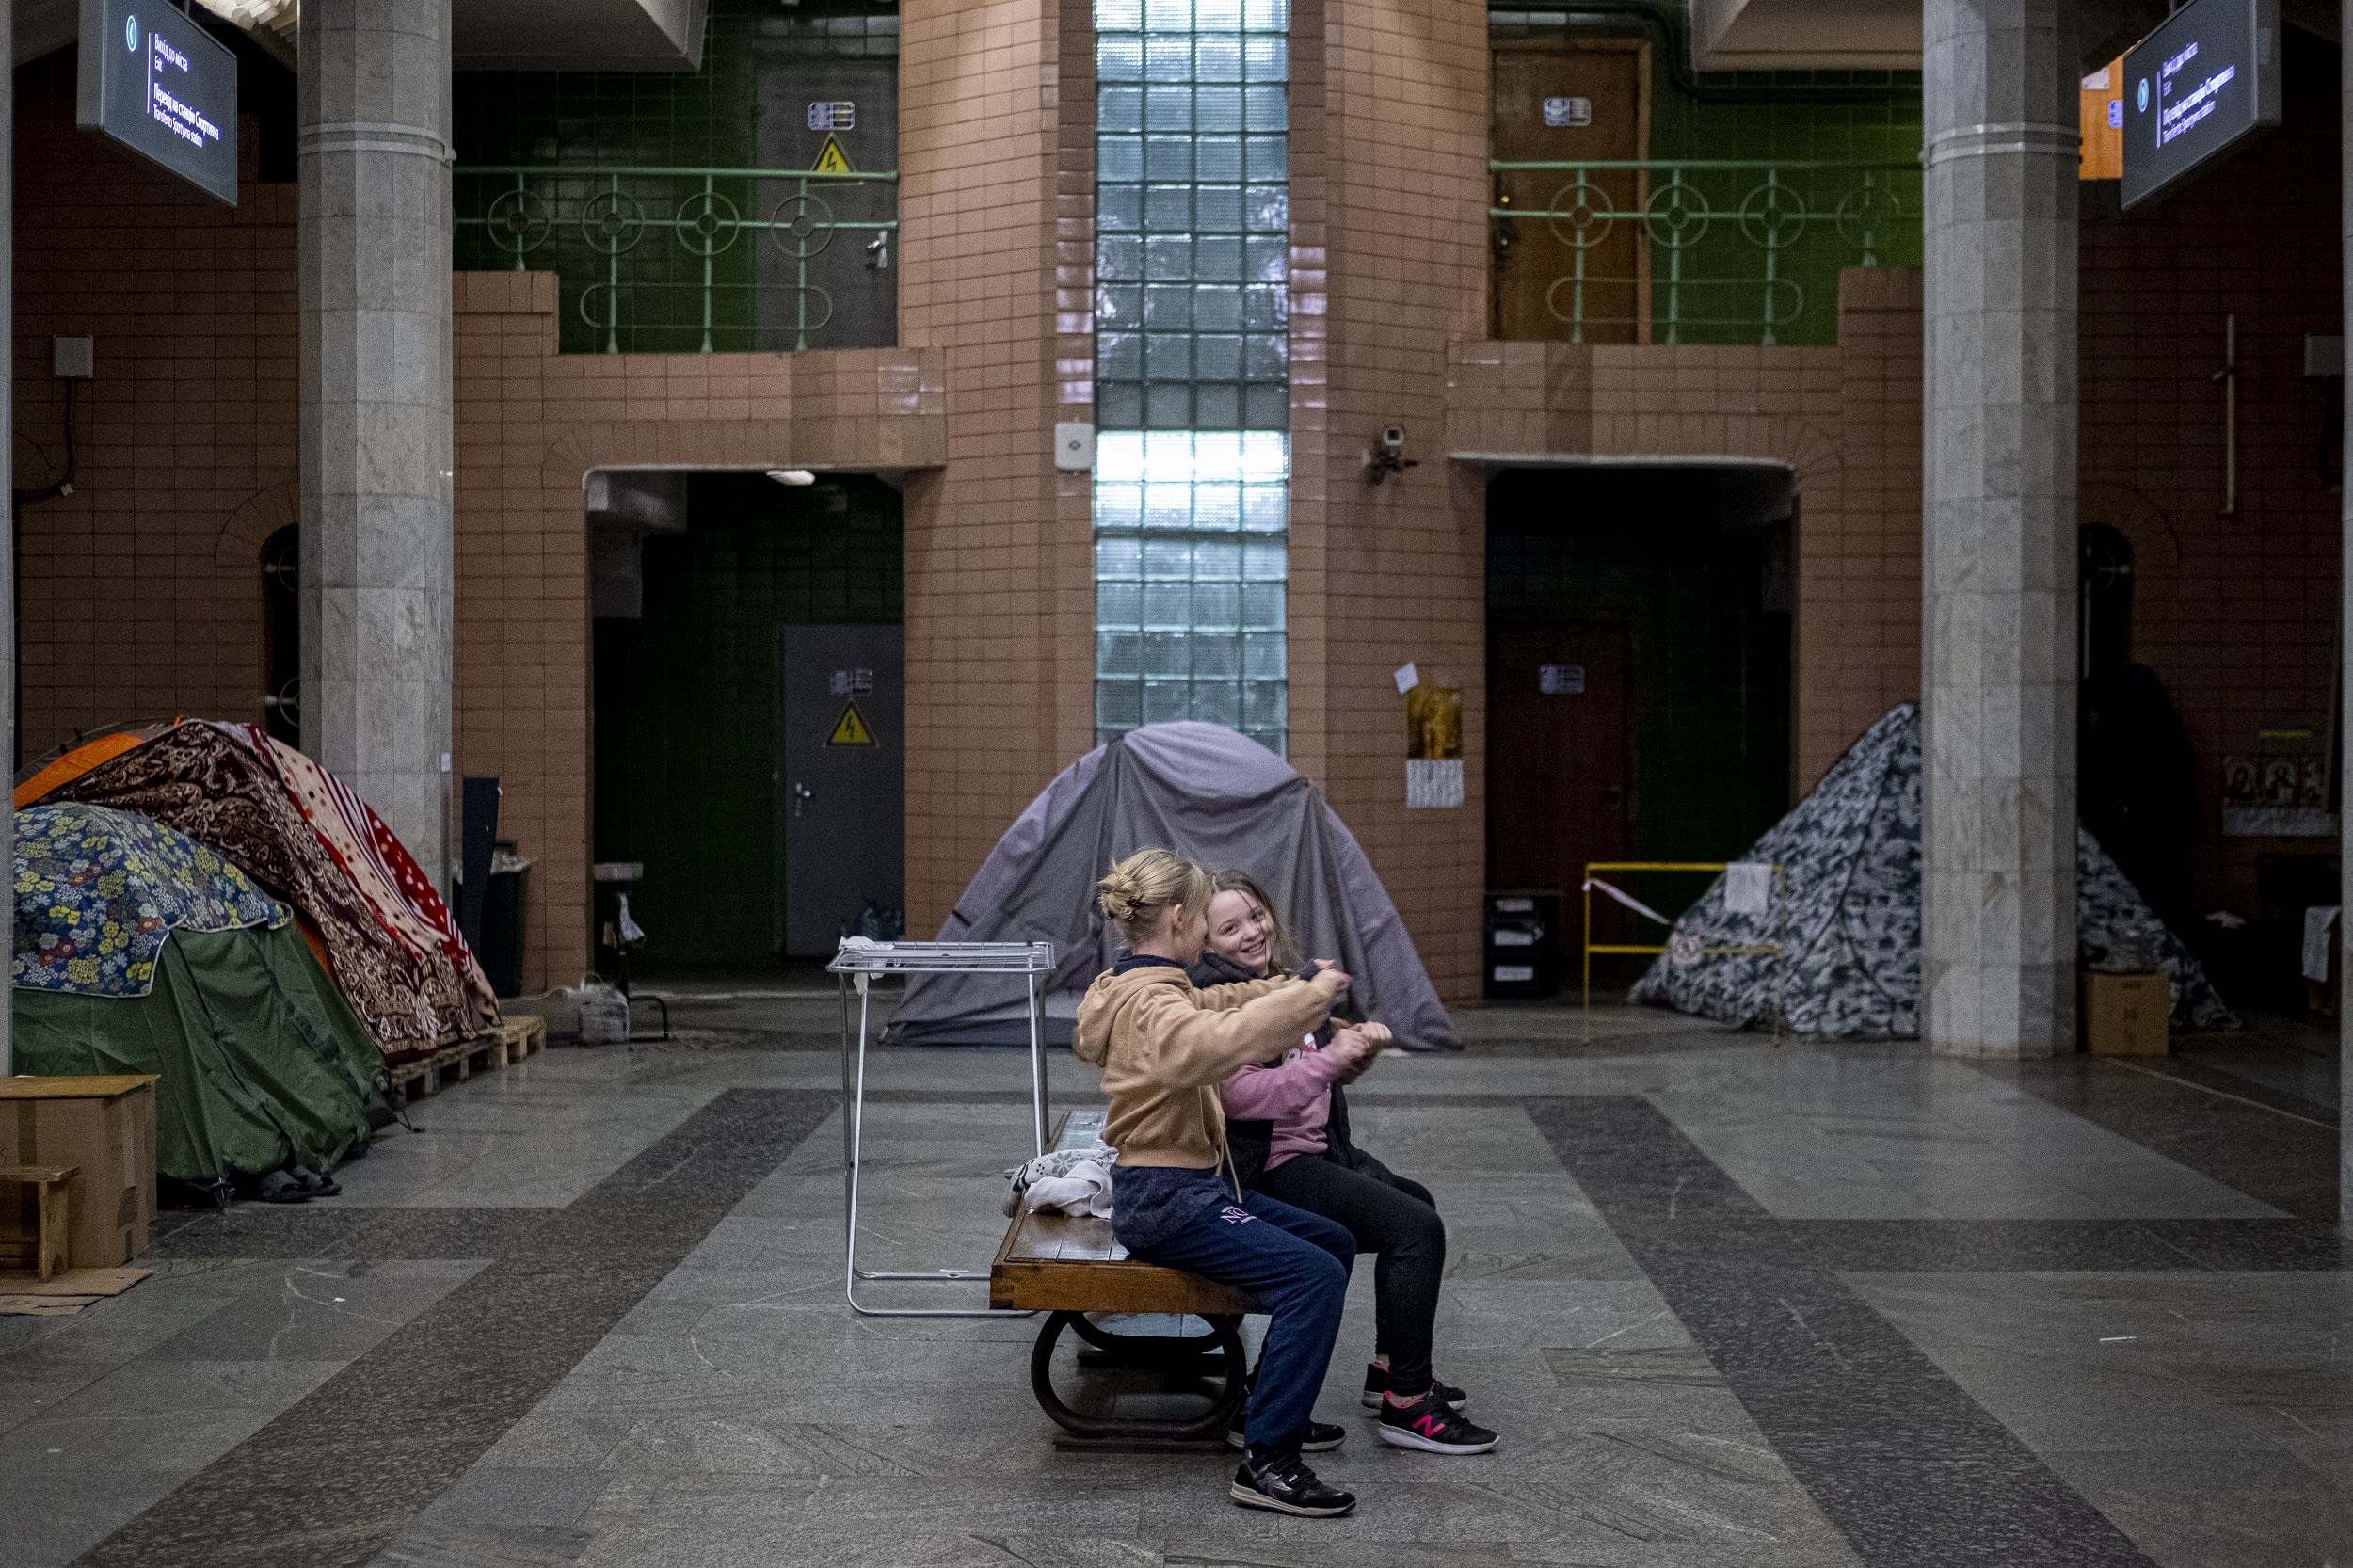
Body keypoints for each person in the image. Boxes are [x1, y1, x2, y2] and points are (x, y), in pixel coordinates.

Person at [1072, 848, 1361, 1518]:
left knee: (1333, 1243)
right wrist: (1311, 999)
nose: (1212, 930)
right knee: (1312, 1277)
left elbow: (1218, 999)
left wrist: (1289, 987)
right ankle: (1268, 1462)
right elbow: (1216, 1040)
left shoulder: (1147, 984)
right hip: (1169, 1200)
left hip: (1191, 1189)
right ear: (1180, 918)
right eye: (1206, 917)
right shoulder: (1151, 1005)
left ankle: (1266, 1406)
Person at [1193, 870, 1499, 1456]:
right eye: (1230, 928)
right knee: (1416, 1229)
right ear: (1205, 944)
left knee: (1418, 1204)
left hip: (1314, 1149)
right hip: (1268, 1169)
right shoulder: (1220, 1000)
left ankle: (1390, 1369)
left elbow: (1307, 1072)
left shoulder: (1280, 985)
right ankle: (1408, 1405)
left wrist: (1352, 1054)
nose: (1252, 932)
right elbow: (1245, 1098)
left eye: (1256, 916)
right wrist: (1332, 1060)